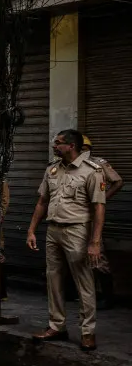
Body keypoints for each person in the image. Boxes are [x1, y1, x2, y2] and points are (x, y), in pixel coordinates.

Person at [26, 130, 106, 351]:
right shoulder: (52, 170)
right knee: (54, 280)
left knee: (84, 283)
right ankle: (56, 326)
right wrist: (32, 230)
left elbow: (99, 208)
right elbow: (42, 201)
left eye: (59, 143)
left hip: (78, 231)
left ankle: (87, 332)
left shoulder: (92, 172)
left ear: (72, 146)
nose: (54, 145)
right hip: (53, 230)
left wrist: (95, 242)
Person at [82, 135, 122, 309]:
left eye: (84, 149)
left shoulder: (97, 164)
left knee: (98, 256)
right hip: (74, 215)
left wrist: (103, 198)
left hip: (91, 215)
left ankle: (108, 296)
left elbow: (118, 181)